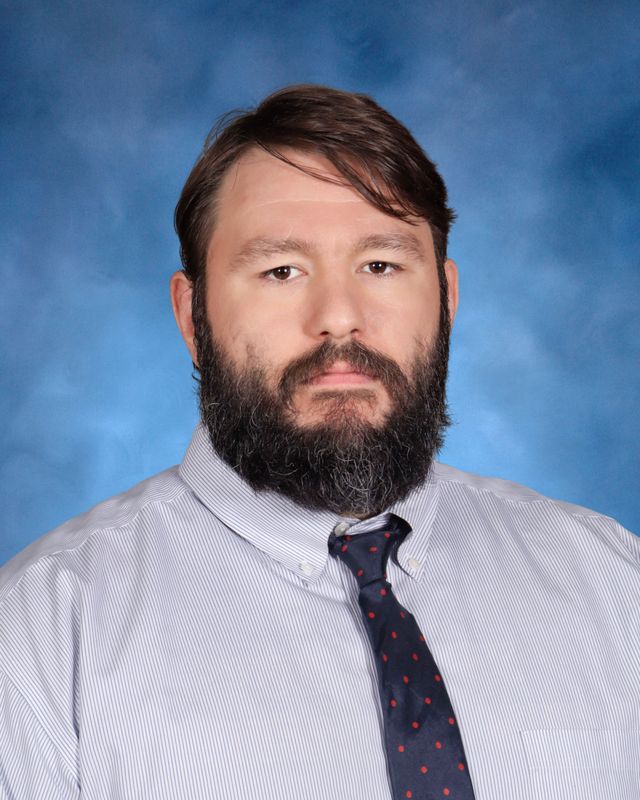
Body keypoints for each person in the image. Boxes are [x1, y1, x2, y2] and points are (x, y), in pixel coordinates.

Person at [1, 85, 638, 800]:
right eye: (281, 272)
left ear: (448, 299)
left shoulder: (612, 584)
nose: (339, 320)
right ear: (192, 315)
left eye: (381, 265)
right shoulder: (42, 636)